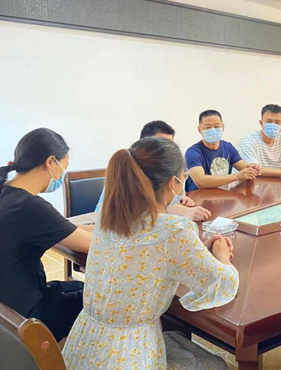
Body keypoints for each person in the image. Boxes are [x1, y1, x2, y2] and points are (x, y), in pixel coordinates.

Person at [63, 137, 238, 369]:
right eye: (184, 175)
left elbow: (147, 257)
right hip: (132, 355)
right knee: (216, 364)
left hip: (84, 348)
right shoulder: (175, 229)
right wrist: (222, 256)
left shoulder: (109, 219)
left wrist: (193, 253)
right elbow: (222, 284)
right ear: (173, 183)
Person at [0, 128, 92, 341]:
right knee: (95, 299)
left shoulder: (7, 192)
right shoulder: (30, 206)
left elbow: (63, 226)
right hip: (25, 316)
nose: (62, 175)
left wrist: (98, 227)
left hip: (6, 308)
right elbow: (90, 243)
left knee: (79, 289)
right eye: (64, 167)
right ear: (50, 162)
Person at [95, 120, 211, 222]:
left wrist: (178, 200)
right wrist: (185, 211)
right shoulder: (129, 174)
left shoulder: (168, 173)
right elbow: (145, 207)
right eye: (161, 145)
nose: (168, 151)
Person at [186, 110, 262, 191]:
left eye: (216, 126)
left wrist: (254, 169)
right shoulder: (192, 152)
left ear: (223, 127)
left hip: (223, 195)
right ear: (199, 130)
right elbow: (201, 181)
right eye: (208, 127)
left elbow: (244, 168)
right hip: (198, 196)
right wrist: (236, 176)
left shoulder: (228, 147)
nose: (213, 130)